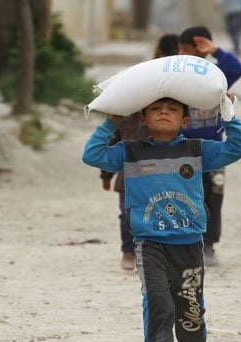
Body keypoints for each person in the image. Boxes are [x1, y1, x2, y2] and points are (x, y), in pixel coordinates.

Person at [82, 97, 241, 342]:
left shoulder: (197, 150)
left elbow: (237, 149)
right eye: (156, 109)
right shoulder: (130, 152)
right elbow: (92, 155)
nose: (163, 113)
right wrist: (112, 121)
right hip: (150, 243)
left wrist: (229, 115)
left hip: (189, 242)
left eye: (172, 110)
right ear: (143, 118)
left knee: (191, 306)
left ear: (186, 121)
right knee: (158, 301)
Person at [99, 33, 179, 271]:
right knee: (128, 214)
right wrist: (106, 174)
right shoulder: (125, 117)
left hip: (159, 174)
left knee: (159, 212)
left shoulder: (163, 115)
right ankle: (128, 251)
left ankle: (156, 252)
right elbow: (111, 143)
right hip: (129, 175)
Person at [178, 26, 241, 266]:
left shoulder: (216, 75)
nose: (184, 54)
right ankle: (187, 243)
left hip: (214, 151)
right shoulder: (178, 78)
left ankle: (209, 245)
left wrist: (215, 51)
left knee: (213, 196)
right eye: (182, 50)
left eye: (189, 50)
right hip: (183, 149)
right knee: (186, 196)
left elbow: (238, 69)